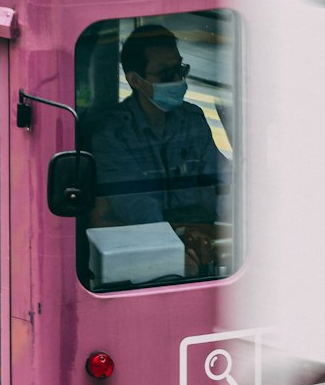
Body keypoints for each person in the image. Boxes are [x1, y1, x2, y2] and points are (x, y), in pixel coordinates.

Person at [89, 25, 229, 272]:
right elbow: (139, 210)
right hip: (144, 254)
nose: (177, 80)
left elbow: (222, 181)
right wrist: (179, 244)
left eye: (180, 70)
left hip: (203, 243)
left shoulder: (192, 119)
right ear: (135, 80)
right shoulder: (113, 135)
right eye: (166, 74)